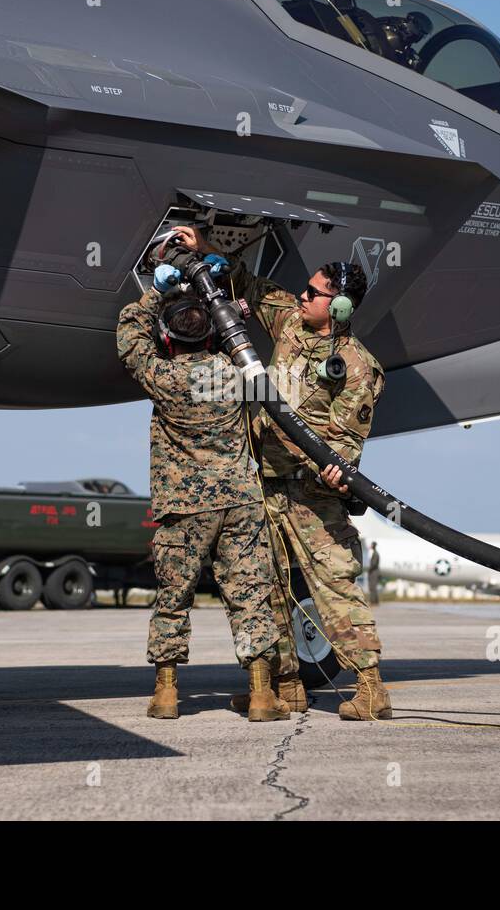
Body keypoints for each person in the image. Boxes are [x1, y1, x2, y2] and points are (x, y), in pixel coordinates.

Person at [168, 225, 390, 721]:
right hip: (264, 483)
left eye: (313, 293)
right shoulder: (291, 323)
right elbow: (250, 284)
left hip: (312, 495)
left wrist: (333, 470)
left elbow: (342, 445)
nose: (303, 296)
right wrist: (203, 247)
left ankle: (371, 689)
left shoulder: (357, 367)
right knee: (265, 587)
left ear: (339, 309)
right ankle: (285, 686)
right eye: (306, 289)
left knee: (334, 585)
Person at [116, 277, 289, 722]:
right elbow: (243, 354)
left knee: (173, 599)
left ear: (168, 337)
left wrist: (157, 290)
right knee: (250, 595)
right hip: (241, 501)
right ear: (212, 333)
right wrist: (230, 316)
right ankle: (262, 696)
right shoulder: (234, 374)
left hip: (185, 509)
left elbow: (130, 335)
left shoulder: (163, 376)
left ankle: (167, 693)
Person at [367, 541, 381, 605]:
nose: (371, 546)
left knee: (373, 587)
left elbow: (374, 564)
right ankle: (375, 601)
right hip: (374, 571)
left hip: (374, 572)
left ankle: (373, 601)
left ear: (373, 546)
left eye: (371, 545)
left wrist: (369, 570)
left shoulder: (375, 554)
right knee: (373, 587)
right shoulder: (375, 553)